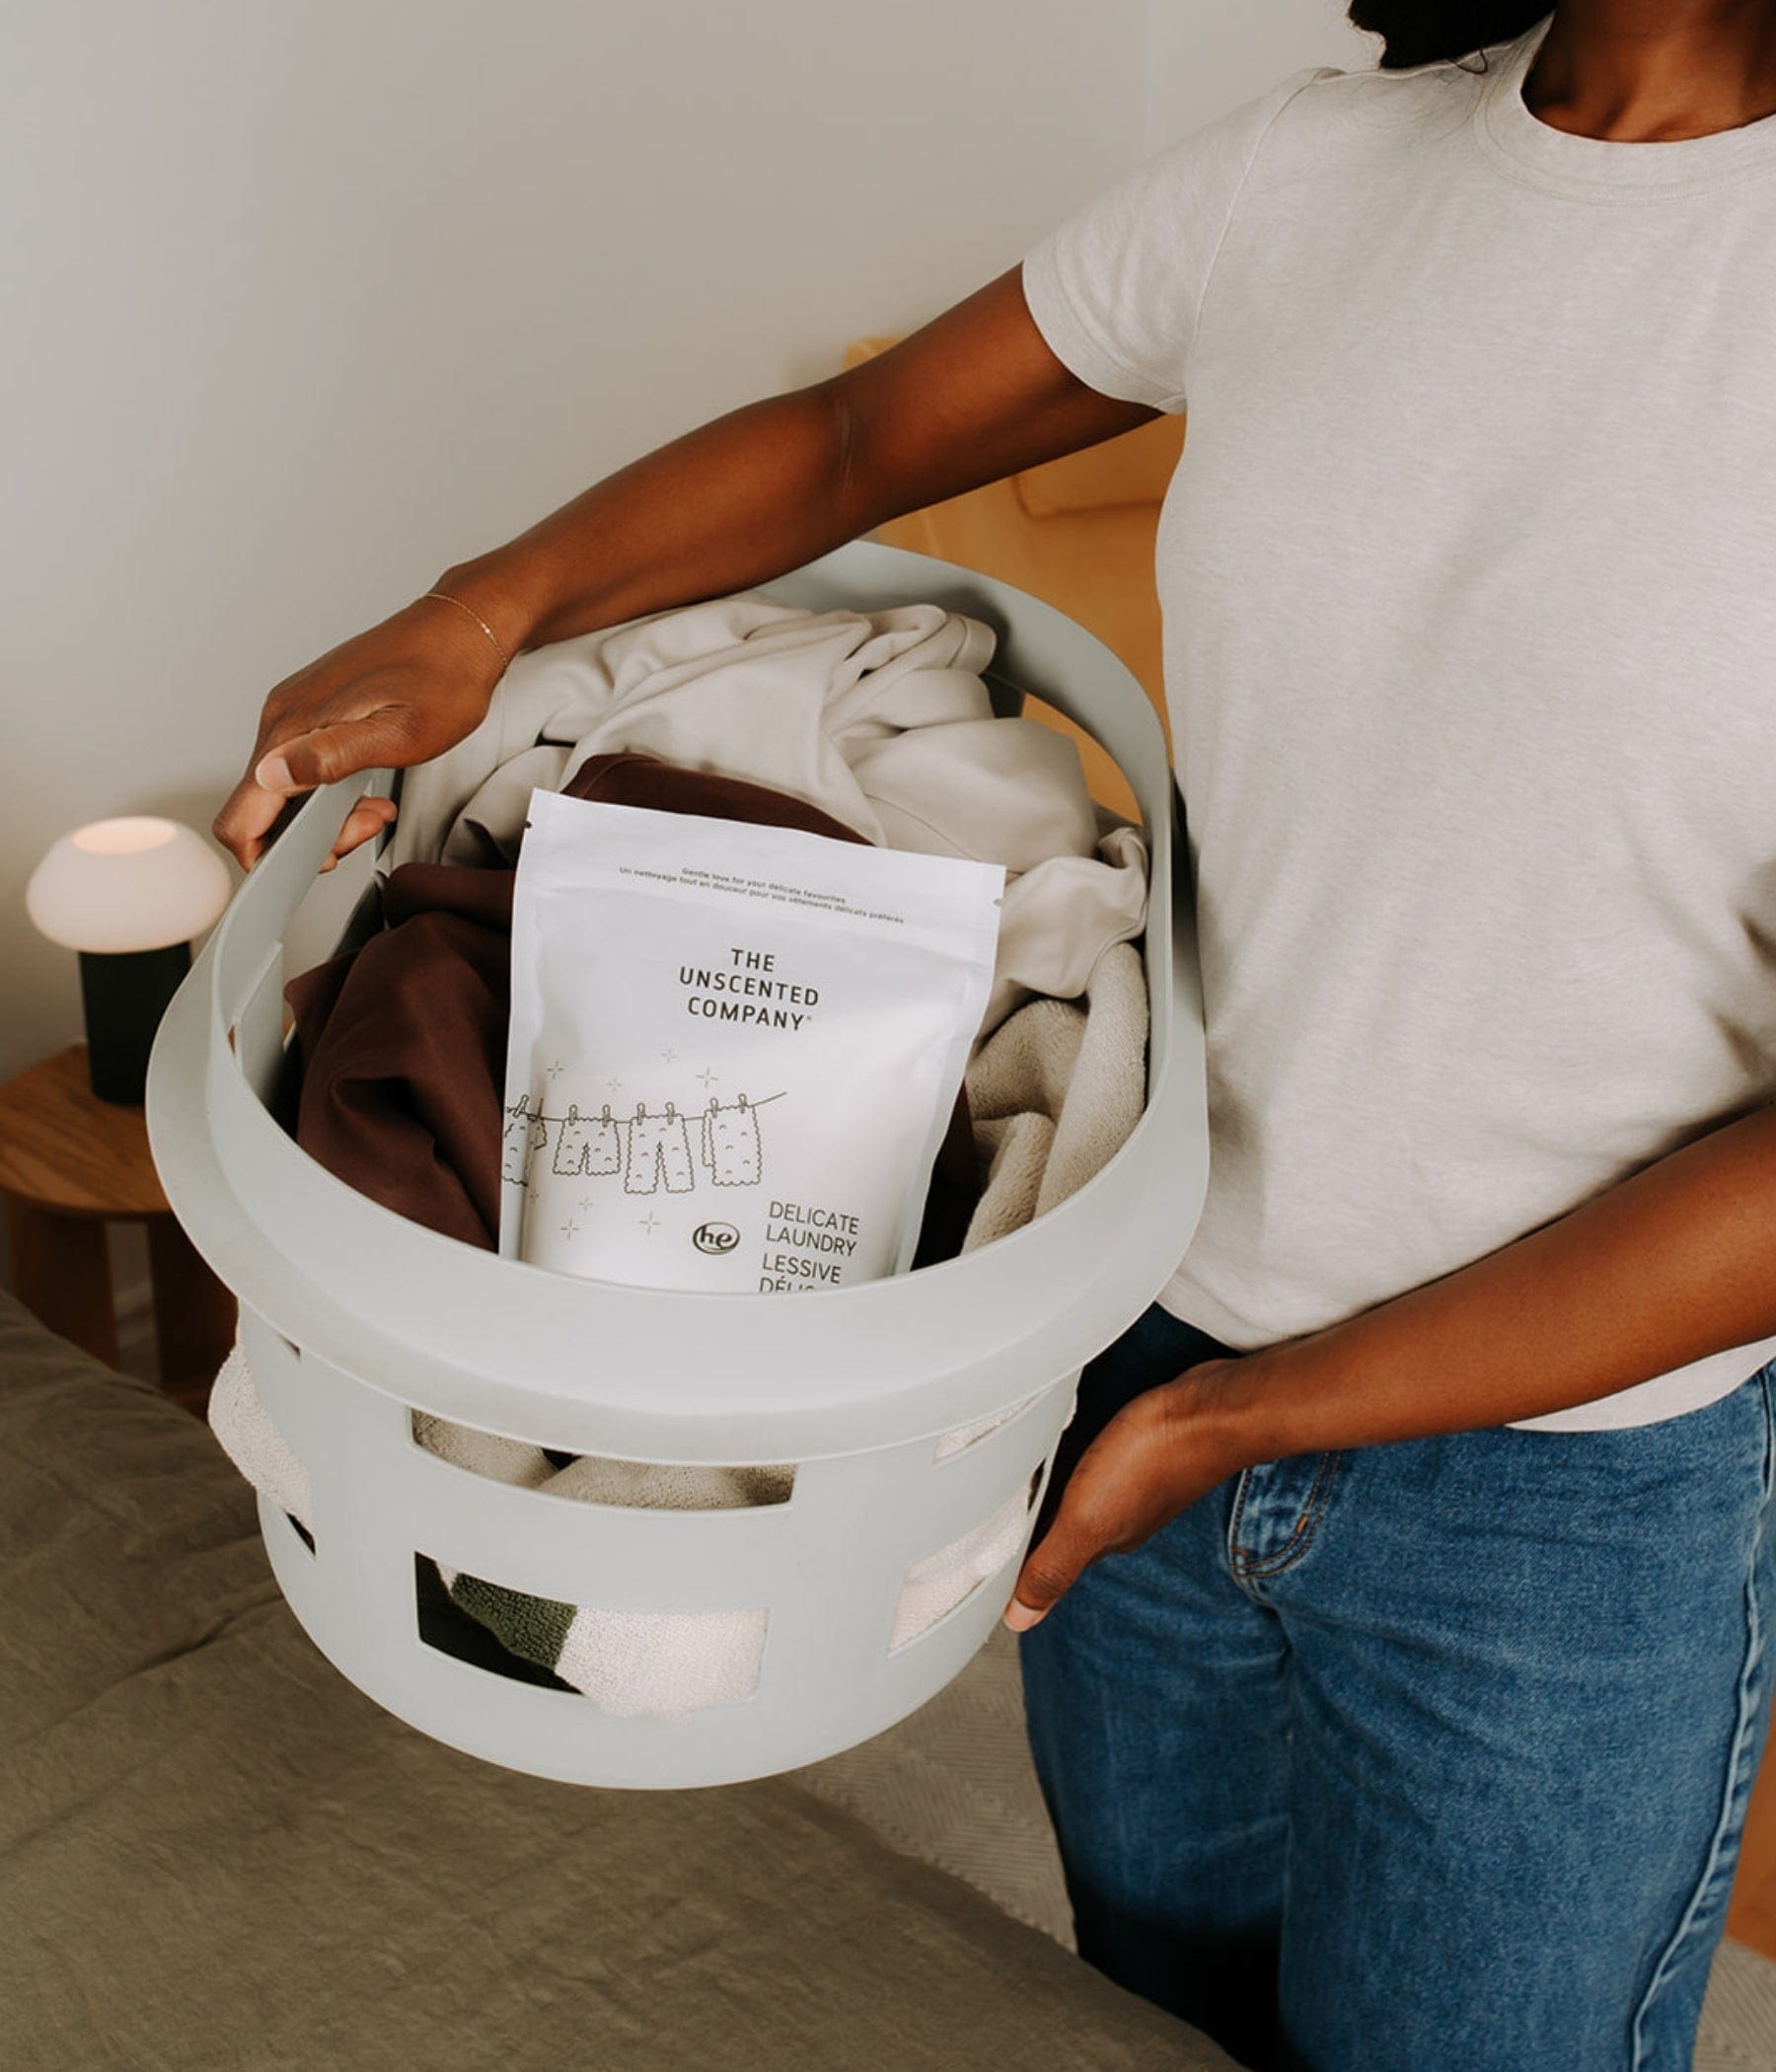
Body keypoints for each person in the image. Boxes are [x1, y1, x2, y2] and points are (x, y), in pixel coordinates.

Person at [215, 5, 1776, 2066]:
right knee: (1141, 2019)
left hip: (1554, 1505)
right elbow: (859, 446)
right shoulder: (1317, 175)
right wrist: (482, 610)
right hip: (1128, 1315)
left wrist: (1235, 1424)